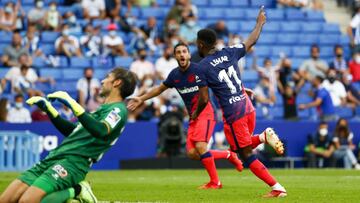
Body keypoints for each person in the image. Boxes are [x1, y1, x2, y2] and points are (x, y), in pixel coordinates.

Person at [128, 43, 280, 189]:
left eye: (184, 51)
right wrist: (141, 98)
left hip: (206, 112)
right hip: (193, 115)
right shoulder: (174, 75)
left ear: (188, 54)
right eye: (178, 52)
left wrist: (241, 89)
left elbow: (220, 81)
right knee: (193, 154)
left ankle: (215, 182)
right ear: (175, 56)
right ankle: (229, 154)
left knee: (201, 146)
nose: (181, 54)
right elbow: (159, 89)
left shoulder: (199, 69)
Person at [0, 67, 137, 203]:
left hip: (74, 163)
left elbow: (100, 130)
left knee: (27, 201)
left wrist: (72, 104)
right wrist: (50, 110)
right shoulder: (101, 109)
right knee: (5, 200)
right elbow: (73, 132)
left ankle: (77, 191)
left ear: (117, 82)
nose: (102, 81)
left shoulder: (118, 110)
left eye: (107, 77)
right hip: (54, 157)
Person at [192, 7, 286, 197]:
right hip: (247, 106)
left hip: (233, 114)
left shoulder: (201, 67)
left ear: (201, 44)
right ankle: (261, 138)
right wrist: (260, 23)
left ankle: (277, 188)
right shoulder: (230, 52)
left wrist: (195, 114)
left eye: (197, 44)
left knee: (246, 154)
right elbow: (251, 40)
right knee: (236, 148)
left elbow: (203, 98)